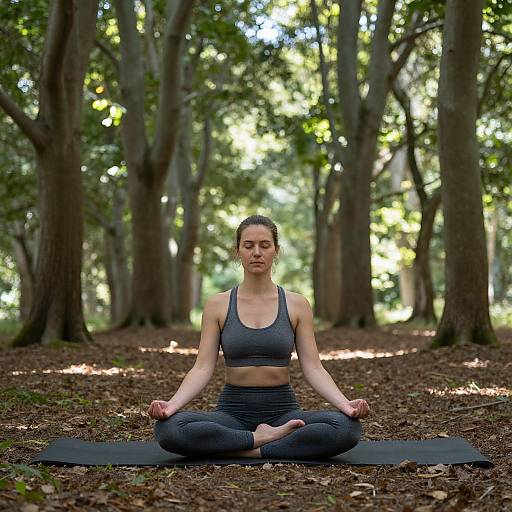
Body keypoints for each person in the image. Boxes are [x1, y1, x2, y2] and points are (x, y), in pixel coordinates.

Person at [148, 215, 369, 459]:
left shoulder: (297, 304)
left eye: (265, 245)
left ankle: (245, 449)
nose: (256, 252)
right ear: (238, 251)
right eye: (248, 245)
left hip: (283, 412)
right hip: (232, 412)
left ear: (276, 250)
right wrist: (172, 405)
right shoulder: (218, 305)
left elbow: (314, 368)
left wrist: (344, 404)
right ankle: (261, 440)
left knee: (346, 428)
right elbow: (201, 368)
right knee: (168, 429)